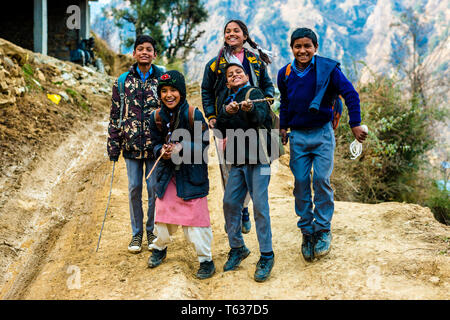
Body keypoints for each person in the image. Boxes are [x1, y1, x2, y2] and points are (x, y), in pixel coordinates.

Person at [277, 28, 368, 262]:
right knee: (299, 182)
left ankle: (323, 229)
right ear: (292, 48)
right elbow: (285, 103)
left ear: (315, 48)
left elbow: (351, 94)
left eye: (307, 46)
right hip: (297, 136)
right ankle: (307, 231)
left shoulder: (329, 70)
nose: (302, 50)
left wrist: (355, 123)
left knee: (321, 179)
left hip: (323, 134)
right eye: (298, 46)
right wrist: (283, 127)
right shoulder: (284, 73)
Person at [201, 19, 275, 234]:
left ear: (245, 35)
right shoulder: (216, 64)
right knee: (229, 169)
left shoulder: (255, 60)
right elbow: (207, 90)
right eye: (227, 31)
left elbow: (267, 84)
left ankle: (245, 205)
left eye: (236, 31)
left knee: (255, 164)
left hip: (254, 122)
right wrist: (212, 115)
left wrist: (266, 100)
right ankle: (239, 210)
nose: (231, 34)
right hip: (227, 121)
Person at [147, 70, 215, 280]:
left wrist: (182, 146)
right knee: (162, 215)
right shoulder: (156, 117)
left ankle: (206, 260)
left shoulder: (194, 114)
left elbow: (204, 144)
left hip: (192, 174)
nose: (169, 95)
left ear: (182, 92)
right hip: (168, 175)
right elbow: (155, 143)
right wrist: (162, 151)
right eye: (164, 91)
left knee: (196, 220)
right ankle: (160, 247)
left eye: (173, 90)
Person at [216, 62, 275, 282]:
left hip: (258, 159)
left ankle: (267, 255)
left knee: (260, 205)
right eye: (230, 75)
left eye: (238, 72)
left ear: (246, 75)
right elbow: (220, 129)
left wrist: (249, 109)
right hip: (237, 160)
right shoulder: (227, 100)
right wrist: (225, 112)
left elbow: (262, 118)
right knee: (230, 203)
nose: (234, 76)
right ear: (227, 81)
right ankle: (237, 247)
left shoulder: (255, 93)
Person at [107, 35, 164, 254]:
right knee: (134, 189)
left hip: (154, 146)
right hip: (130, 146)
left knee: (153, 189)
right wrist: (113, 146)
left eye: (149, 49)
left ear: (154, 54)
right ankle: (136, 233)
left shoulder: (162, 80)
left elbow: (170, 112)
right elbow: (114, 116)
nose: (144, 52)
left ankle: (151, 230)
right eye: (140, 49)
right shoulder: (122, 81)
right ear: (134, 53)